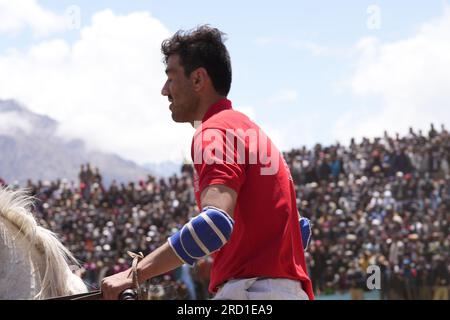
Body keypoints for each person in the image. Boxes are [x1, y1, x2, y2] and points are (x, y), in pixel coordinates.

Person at [101, 25, 314, 300]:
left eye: (171, 77)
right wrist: (233, 255)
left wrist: (134, 274)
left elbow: (215, 223)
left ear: (199, 79)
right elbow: (300, 229)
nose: (164, 90)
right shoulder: (252, 132)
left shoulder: (212, 131)